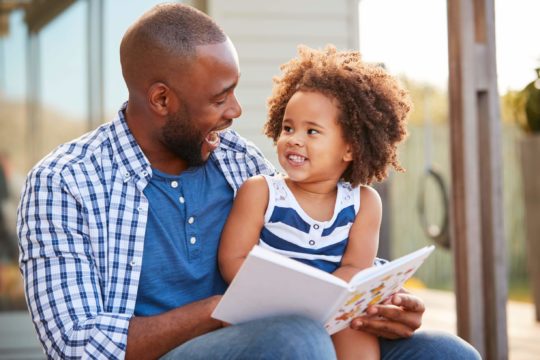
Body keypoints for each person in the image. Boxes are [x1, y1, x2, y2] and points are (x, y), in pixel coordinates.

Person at [16, 3, 480, 360]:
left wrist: (382, 300)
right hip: (185, 351)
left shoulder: (237, 159)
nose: (237, 111)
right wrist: (220, 311)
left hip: (282, 338)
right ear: (162, 99)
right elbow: (77, 345)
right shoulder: (65, 183)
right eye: (221, 98)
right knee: (296, 340)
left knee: (447, 353)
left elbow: (314, 245)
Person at [218, 45, 410, 359]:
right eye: (288, 127)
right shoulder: (262, 192)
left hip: (331, 307)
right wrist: (289, 296)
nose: (294, 138)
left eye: (312, 131)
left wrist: (319, 298)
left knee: (355, 331)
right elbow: (233, 260)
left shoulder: (363, 203)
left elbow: (355, 268)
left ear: (350, 148)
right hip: (265, 310)